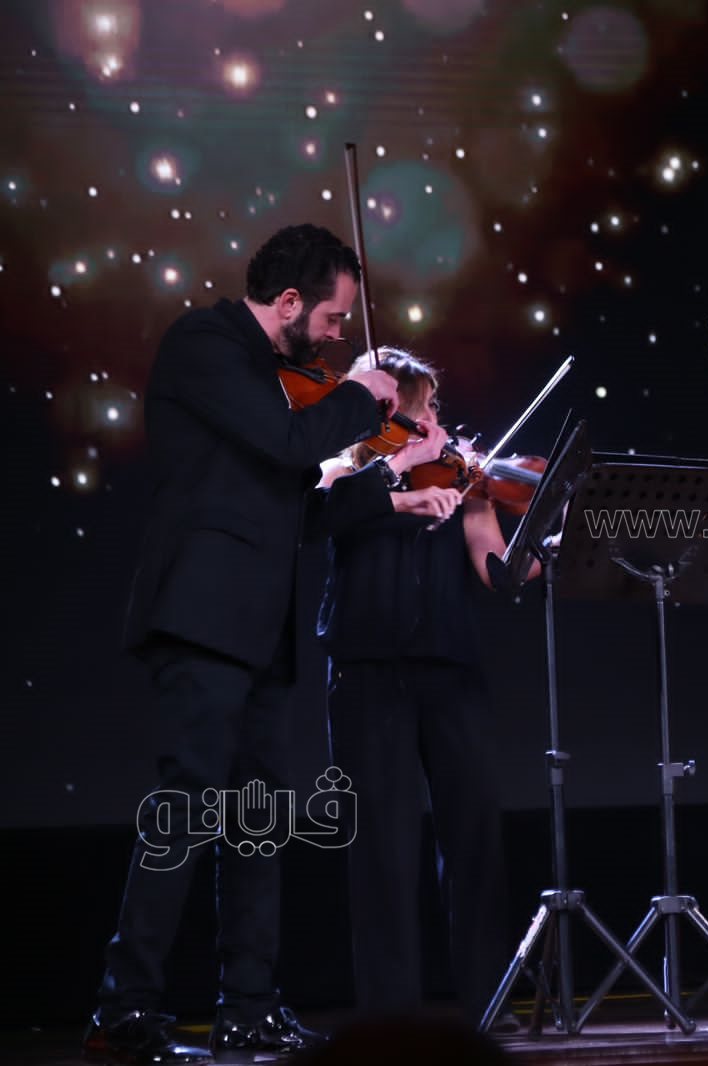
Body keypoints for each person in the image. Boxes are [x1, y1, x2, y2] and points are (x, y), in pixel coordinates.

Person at [87, 223, 404, 1064]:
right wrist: (361, 396)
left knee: (257, 821)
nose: (336, 338)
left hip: (261, 631)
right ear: (290, 302)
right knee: (188, 807)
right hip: (202, 616)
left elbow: (295, 512)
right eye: (332, 319)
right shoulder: (206, 345)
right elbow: (290, 442)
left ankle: (250, 1005)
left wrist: (387, 494)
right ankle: (125, 1008)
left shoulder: (275, 386)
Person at [315, 347, 533, 1029]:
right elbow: (322, 511)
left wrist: (544, 548)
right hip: (367, 670)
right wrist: (401, 472)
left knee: (474, 833)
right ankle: (390, 1014)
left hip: (449, 668)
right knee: (380, 844)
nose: (437, 418)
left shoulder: (465, 477)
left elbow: (494, 566)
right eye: (425, 407)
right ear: (393, 413)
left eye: (435, 407)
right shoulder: (342, 471)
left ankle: (486, 1000)